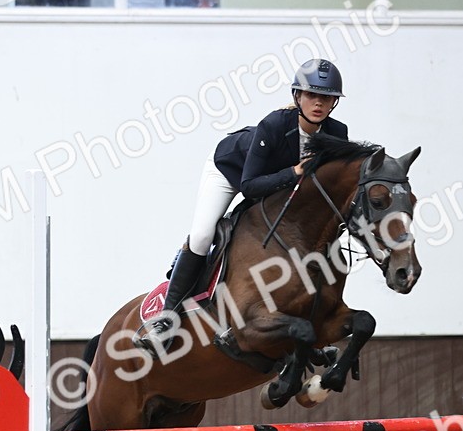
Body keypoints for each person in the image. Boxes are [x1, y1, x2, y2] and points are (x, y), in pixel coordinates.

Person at [137, 58, 349, 350]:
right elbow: (249, 185)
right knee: (202, 234)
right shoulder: (274, 125)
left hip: (276, 185)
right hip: (231, 171)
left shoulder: (337, 134)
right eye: (312, 95)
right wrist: (294, 173)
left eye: (327, 98)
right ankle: (166, 318)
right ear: (297, 96)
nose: (319, 103)